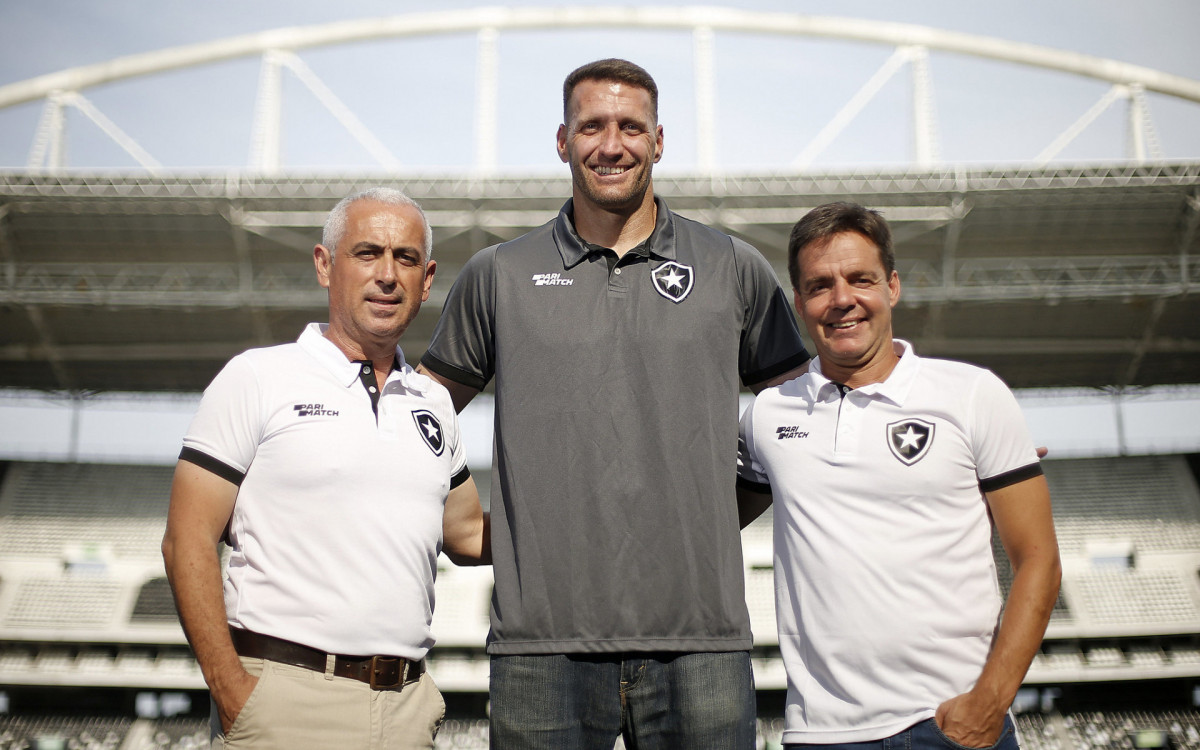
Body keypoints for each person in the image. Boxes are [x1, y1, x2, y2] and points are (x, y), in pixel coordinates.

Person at [417, 59, 809, 749]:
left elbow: (805, 412)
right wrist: (469, 518)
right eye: (592, 126)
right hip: (541, 645)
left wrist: (725, 507)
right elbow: (416, 417)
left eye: (630, 127)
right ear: (562, 141)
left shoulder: (732, 267)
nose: (611, 144)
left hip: (702, 639)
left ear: (659, 140)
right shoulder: (499, 275)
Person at [161, 187, 490, 750]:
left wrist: (581, 520)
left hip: (408, 707)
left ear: (427, 278)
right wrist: (232, 690)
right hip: (284, 702)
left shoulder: (432, 404)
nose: (388, 275)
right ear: (324, 265)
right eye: (367, 253)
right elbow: (186, 539)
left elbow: (464, 533)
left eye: (405, 258)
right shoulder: (258, 378)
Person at [736, 202, 1061, 750]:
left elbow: (1040, 560)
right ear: (798, 302)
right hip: (820, 734)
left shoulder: (972, 394)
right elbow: (707, 520)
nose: (842, 300)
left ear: (892, 286)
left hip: (949, 724)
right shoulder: (768, 414)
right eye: (819, 285)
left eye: (860, 279)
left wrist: (989, 703)